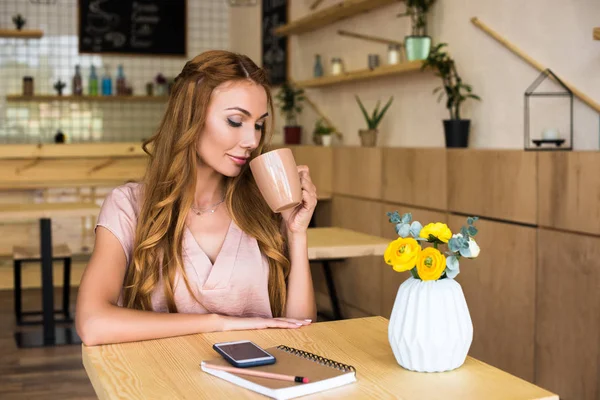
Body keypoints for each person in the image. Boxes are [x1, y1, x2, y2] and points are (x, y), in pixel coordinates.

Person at [76, 50, 317, 346]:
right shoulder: (128, 206)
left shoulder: (265, 204)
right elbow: (92, 324)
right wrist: (220, 324)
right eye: (235, 121)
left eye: (258, 124)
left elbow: (301, 330)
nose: (252, 140)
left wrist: (297, 233)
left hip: (258, 383)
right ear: (190, 117)